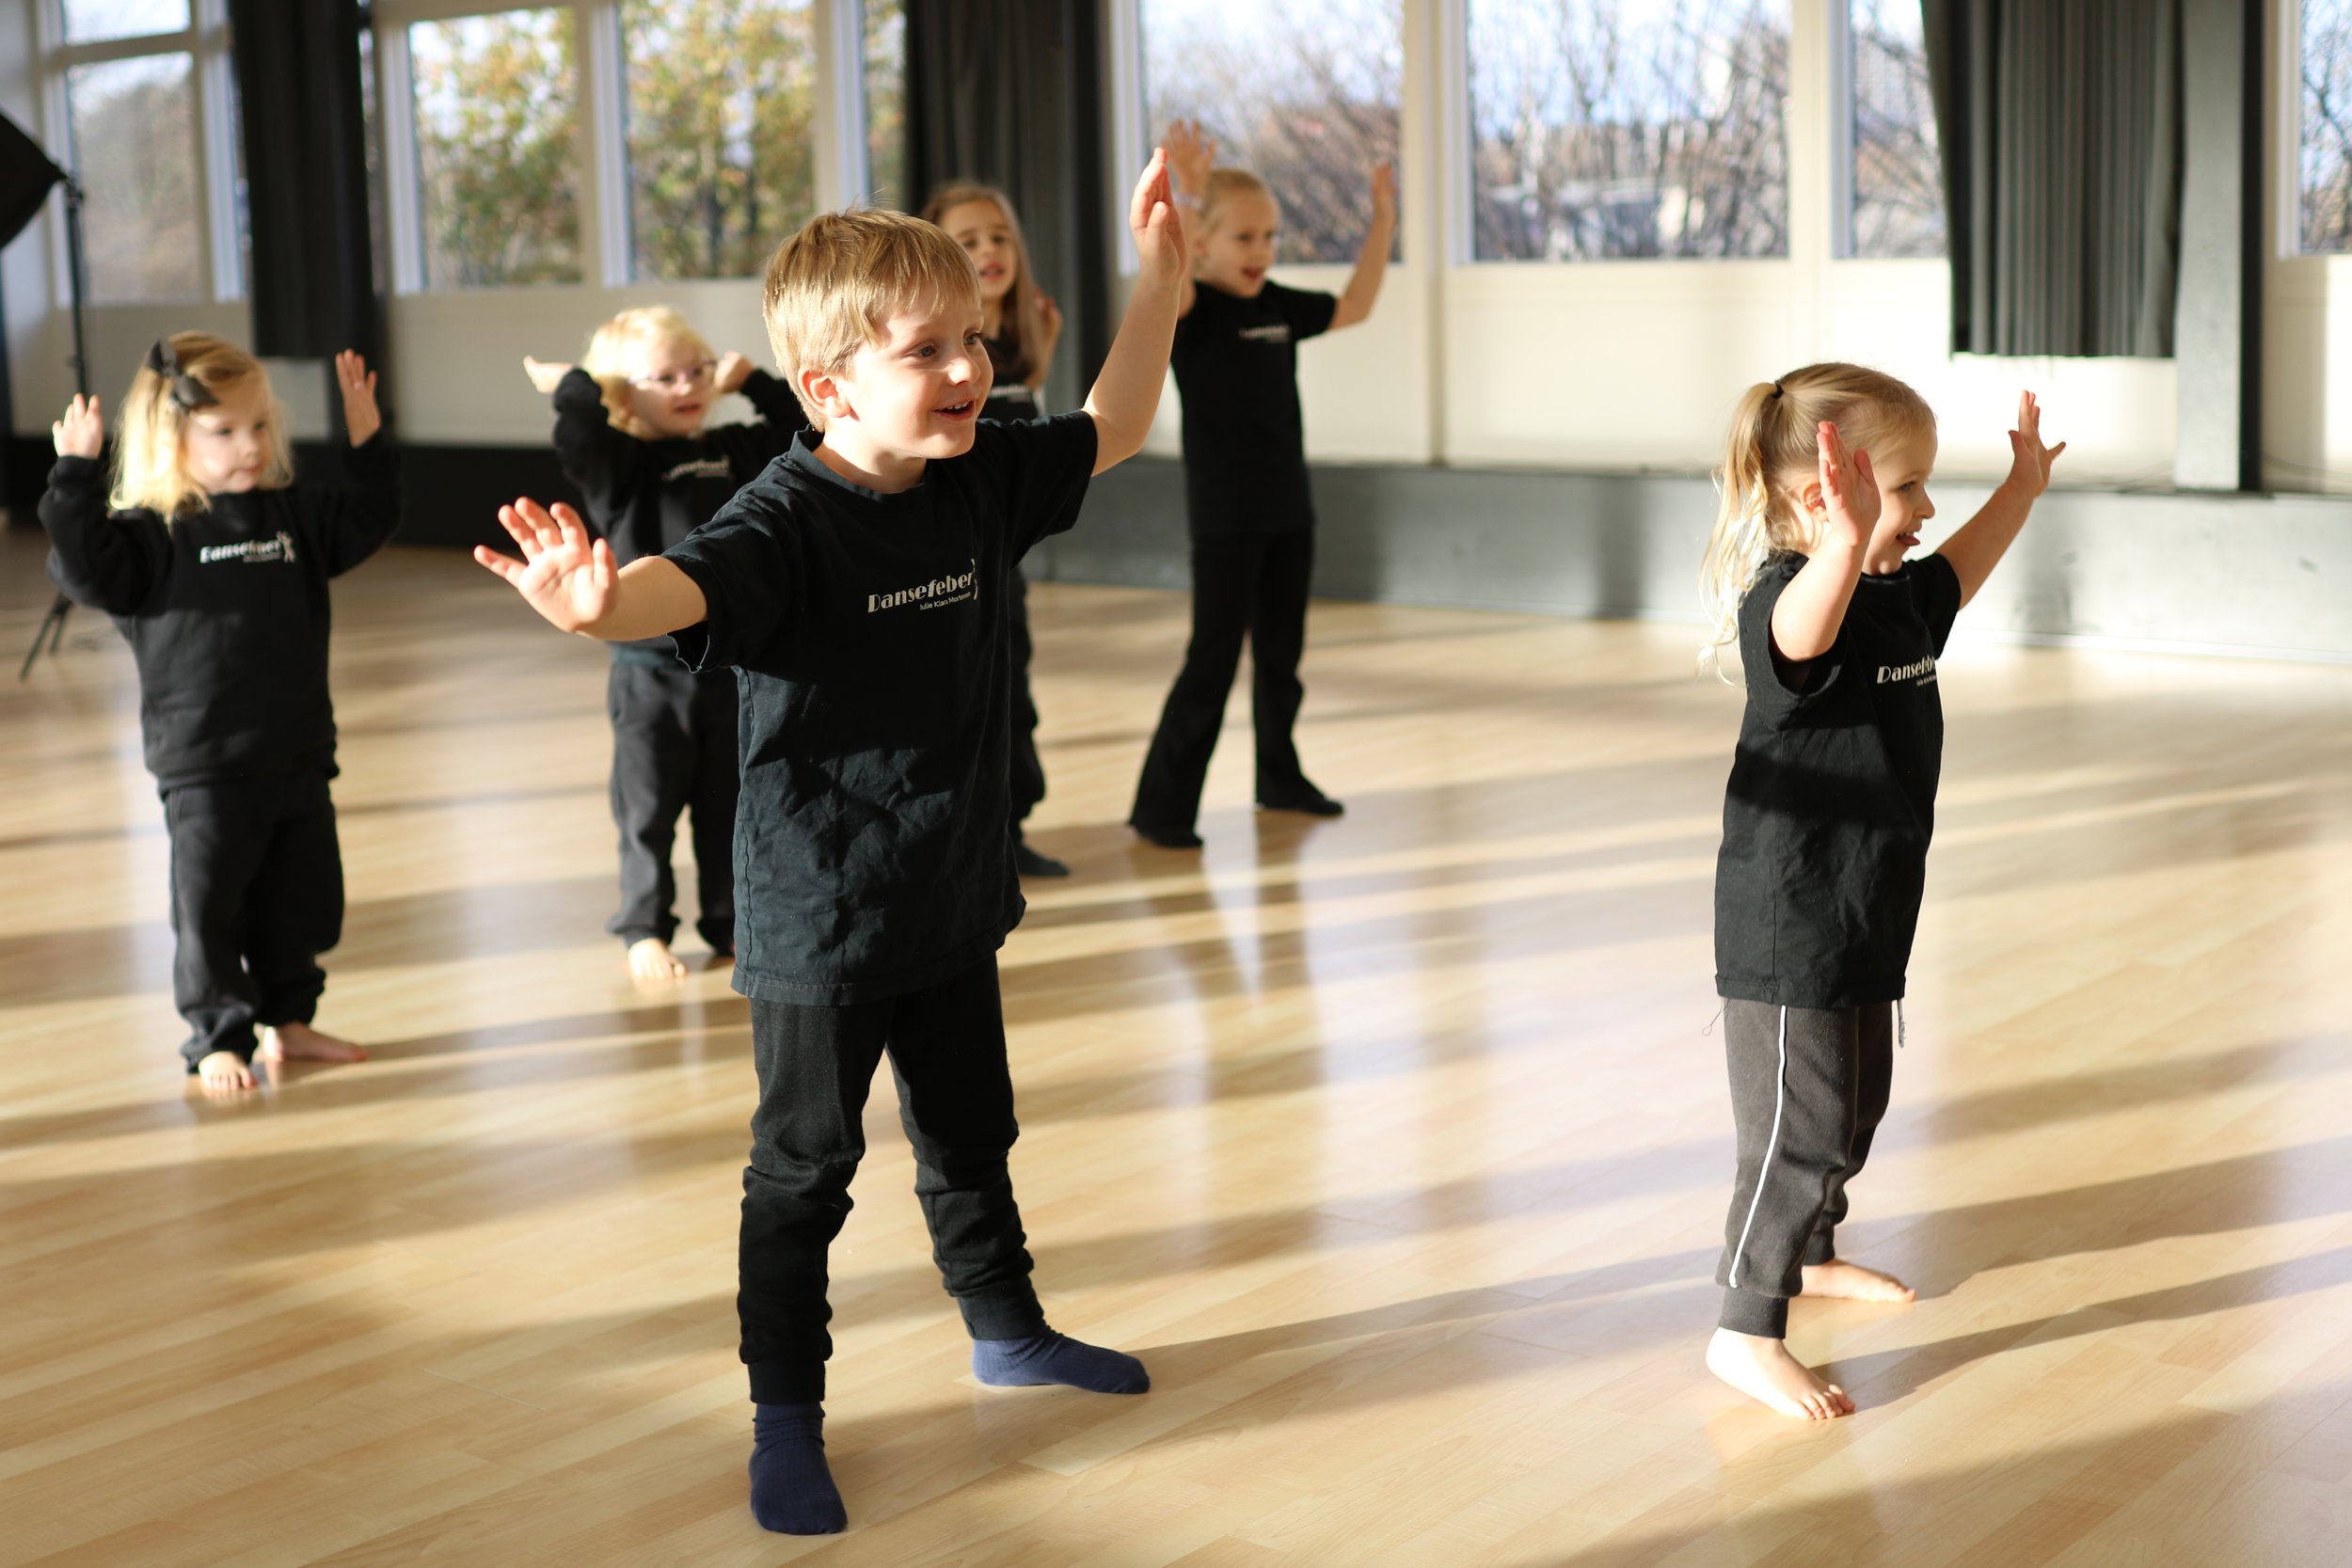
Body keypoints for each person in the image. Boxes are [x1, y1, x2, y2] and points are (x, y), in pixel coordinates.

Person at [472, 152, 1190, 1533]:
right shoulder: (782, 522)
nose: (971, 368)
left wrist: (1156, 284)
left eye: (974, 337)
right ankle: (785, 1415)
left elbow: (1115, 421)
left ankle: (1008, 1327)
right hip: (820, 914)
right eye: (929, 349)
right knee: (806, 1168)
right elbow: (672, 592)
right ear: (826, 387)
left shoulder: (975, 475)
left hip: (951, 883)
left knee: (973, 1127)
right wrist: (592, 604)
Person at [1700, 364, 2064, 1418]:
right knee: (1795, 1130)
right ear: (1830, 493)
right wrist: (1841, 542)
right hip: (1788, 921)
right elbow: (1801, 636)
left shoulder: (1900, 602)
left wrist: (2022, 489)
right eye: (1904, 488)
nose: (1924, 509)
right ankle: (1743, 1323)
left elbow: (1960, 566)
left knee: (1853, 1108)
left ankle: (1807, 1256)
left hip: (1866, 907)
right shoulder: (1790, 600)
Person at [39, 335, 394, 1095]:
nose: (250, 446)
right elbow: (82, 566)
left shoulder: (292, 514)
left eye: (259, 427)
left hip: (296, 749)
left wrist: (367, 439)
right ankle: (217, 1035)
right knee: (211, 910)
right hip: (202, 764)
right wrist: (73, 473)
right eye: (225, 432)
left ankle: (289, 1022)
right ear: (172, 439)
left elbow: (370, 515)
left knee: (300, 899)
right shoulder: (149, 536)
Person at [1127, 119, 1396, 849]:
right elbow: (1166, 268)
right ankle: (1161, 808)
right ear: (1205, 242)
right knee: (1211, 661)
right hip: (1225, 519)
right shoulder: (1193, 310)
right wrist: (1182, 190)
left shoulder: (1277, 305)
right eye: (1245, 238)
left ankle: (1279, 776)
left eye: (1270, 237)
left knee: (1282, 658)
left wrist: (1383, 223)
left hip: (1288, 511)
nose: (1262, 252)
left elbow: (1357, 305)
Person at [522, 308, 809, 981]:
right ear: (623, 392)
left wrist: (754, 381)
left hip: (731, 667)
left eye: (698, 371)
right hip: (647, 676)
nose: (689, 385)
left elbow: (804, 428)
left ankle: (728, 921)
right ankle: (644, 926)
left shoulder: (739, 448)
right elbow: (582, 430)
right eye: (665, 376)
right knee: (647, 809)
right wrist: (577, 384)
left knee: (726, 804)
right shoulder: (622, 465)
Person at [922, 182, 1071, 879]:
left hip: (1005, 549)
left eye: (998, 236)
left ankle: (1008, 830)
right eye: (967, 240)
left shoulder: (1027, 331)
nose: (987, 251)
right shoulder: (947, 351)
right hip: (955, 549)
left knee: (1013, 685)